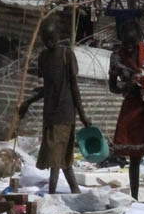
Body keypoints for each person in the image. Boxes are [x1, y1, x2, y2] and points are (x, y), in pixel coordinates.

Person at [18, 19, 91, 194]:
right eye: (45, 39)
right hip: (49, 113)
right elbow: (48, 87)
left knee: (55, 157)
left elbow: (74, 86)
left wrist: (82, 115)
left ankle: (51, 193)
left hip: (65, 112)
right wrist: (28, 102)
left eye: (52, 38)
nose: (49, 42)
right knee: (61, 157)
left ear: (58, 35)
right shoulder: (44, 57)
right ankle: (75, 191)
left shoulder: (67, 56)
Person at [108, 21, 144, 202]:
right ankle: (134, 196)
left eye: (133, 44)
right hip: (132, 104)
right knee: (134, 153)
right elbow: (112, 87)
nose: (130, 48)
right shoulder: (116, 57)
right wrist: (126, 86)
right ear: (122, 41)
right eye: (127, 44)